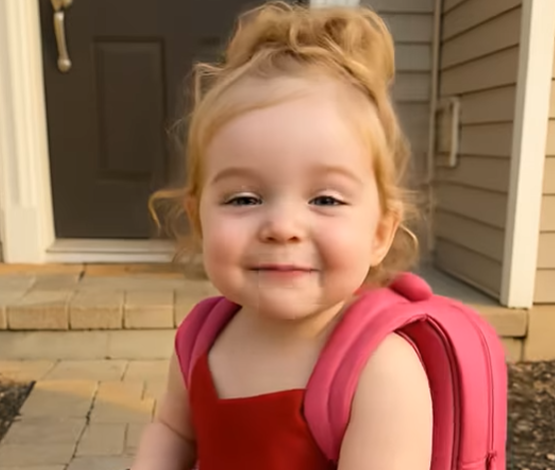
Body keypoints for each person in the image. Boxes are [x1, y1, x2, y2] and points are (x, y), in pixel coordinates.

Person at [132, 2, 433, 469]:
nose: (282, 228)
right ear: (199, 220)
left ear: (379, 233)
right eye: (243, 199)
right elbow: (173, 430)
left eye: (326, 199)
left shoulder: (381, 369)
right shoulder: (199, 339)